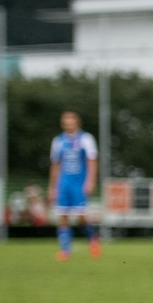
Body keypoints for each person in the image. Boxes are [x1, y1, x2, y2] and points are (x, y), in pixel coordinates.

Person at [48, 111, 100, 260]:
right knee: (62, 215)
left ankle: (92, 238)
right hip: (63, 183)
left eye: (71, 122)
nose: (68, 125)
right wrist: (52, 187)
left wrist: (90, 181)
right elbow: (55, 165)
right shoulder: (58, 141)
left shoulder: (86, 139)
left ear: (77, 123)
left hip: (79, 184)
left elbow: (92, 161)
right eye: (66, 122)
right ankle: (65, 251)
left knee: (81, 216)